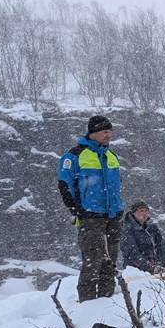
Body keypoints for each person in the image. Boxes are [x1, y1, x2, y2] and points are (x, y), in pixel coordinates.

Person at [57, 115, 124, 302]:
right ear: (93, 133)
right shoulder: (75, 155)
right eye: (104, 131)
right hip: (91, 216)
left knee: (110, 261)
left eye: (110, 132)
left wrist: (119, 210)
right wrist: (77, 211)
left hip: (113, 215)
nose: (108, 135)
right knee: (92, 261)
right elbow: (65, 185)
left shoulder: (111, 155)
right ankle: (87, 304)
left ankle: (107, 300)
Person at [120, 200, 165, 274]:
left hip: (156, 266)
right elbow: (131, 253)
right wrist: (148, 267)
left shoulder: (152, 227)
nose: (144, 213)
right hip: (135, 269)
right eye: (141, 211)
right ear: (133, 213)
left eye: (146, 211)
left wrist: (160, 264)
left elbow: (162, 248)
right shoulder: (127, 229)